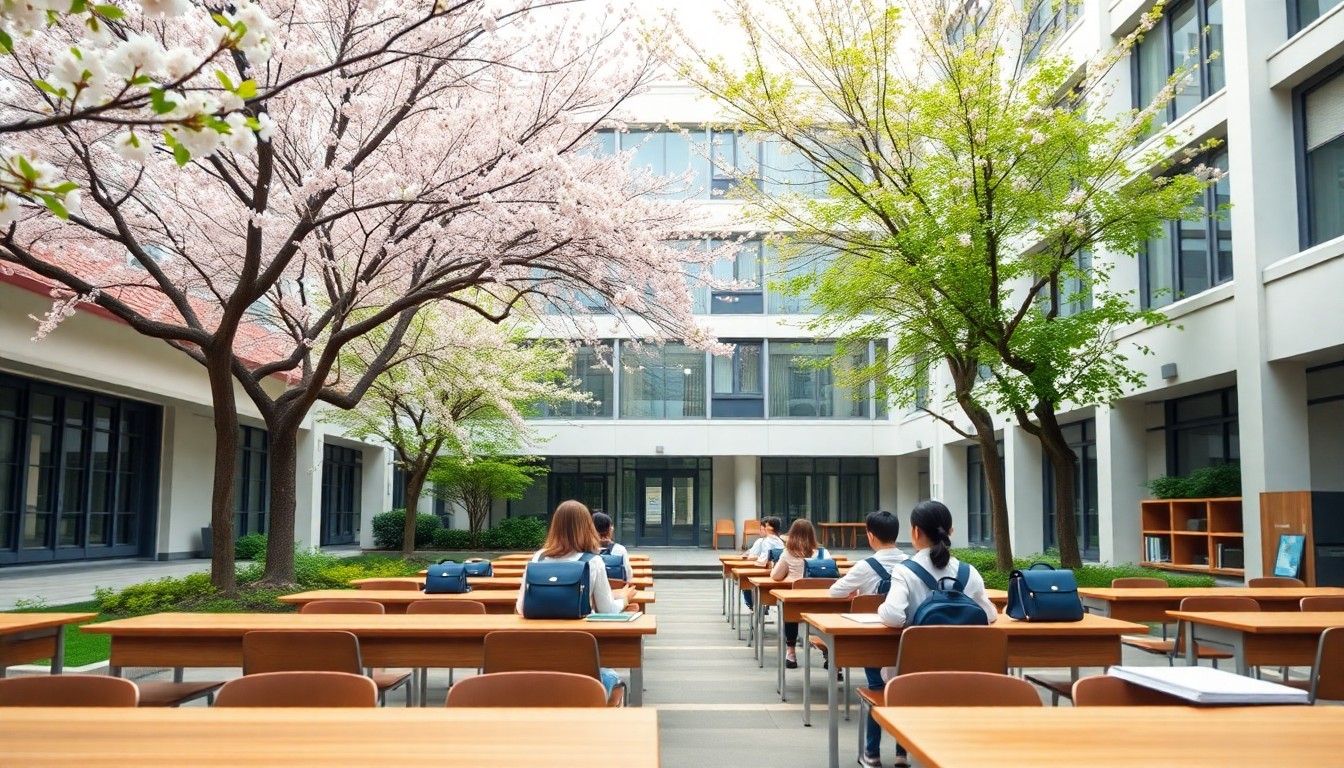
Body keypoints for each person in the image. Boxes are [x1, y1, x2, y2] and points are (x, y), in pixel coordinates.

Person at [872, 501, 997, 768]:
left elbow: (893, 615)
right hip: (967, 676)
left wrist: (880, 606)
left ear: (915, 532)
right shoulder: (968, 572)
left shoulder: (905, 571)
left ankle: (897, 750)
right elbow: (989, 615)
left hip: (915, 676)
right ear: (949, 531)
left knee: (880, 671)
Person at [517, 499, 637, 697]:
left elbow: (521, 607)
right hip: (581, 654)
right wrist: (624, 598)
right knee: (610, 676)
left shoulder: (537, 558)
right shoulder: (594, 561)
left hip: (537, 655)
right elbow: (607, 611)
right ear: (587, 526)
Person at [828, 510, 909, 768]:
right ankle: (901, 753)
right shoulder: (912, 564)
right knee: (903, 693)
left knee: (876, 690)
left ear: (870, 536)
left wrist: (858, 592)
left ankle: (872, 754)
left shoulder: (865, 566)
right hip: (908, 642)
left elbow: (835, 592)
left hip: (874, 640)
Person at [770, 518, 825, 669]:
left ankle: (791, 653)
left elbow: (775, 576)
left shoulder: (788, 553)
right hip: (821, 600)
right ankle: (829, 654)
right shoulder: (822, 553)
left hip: (798, 600)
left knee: (790, 613)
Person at [740, 516, 783, 611]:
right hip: (778, 572)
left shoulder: (766, 541)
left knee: (746, 581)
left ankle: (753, 606)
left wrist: (754, 561)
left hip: (768, 572)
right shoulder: (780, 542)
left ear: (770, 528)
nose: (763, 529)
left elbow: (763, 560)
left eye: (765, 527)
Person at [592, 511, 633, 581]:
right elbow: (628, 575)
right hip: (616, 590)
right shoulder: (620, 549)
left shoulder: (584, 548)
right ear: (610, 529)